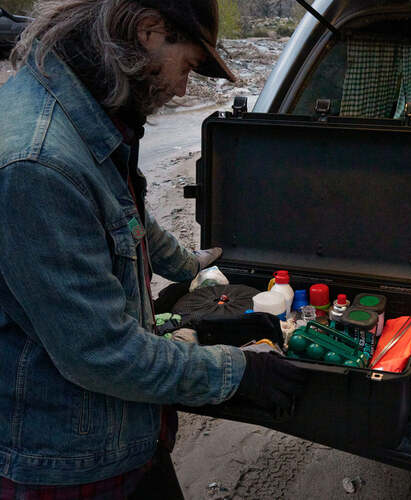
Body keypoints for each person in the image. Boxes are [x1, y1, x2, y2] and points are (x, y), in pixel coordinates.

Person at [0, 0, 306, 497]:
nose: (183, 88)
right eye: (186, 66)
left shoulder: (84, 112)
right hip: (69, 460)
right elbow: (100, 353)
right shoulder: (39, 164)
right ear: (148, 32)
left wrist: (188, 266)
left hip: (124, 431)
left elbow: (124, 210)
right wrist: (239, 371)